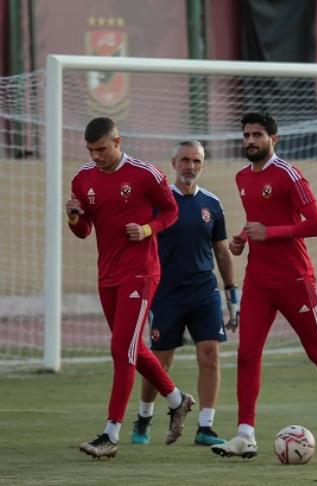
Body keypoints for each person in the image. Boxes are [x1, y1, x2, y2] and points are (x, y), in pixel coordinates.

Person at [210, 112, 317, 460]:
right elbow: (259, 221)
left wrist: (270, 233)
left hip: (294, 279)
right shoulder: (242, 177)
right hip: (258, 281)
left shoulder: (289, 174)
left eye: (257, 135)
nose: (250, 141)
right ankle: (245, 434)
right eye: (246, 135)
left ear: (273, 139)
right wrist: (243, 239)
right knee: (247, 353)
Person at [67, 117, 195, 459]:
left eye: (101, 149)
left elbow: (171, 212)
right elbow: (84, 231)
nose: (96, 156)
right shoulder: (82, 178)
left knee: (121, 347)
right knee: (131, 348)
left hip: (141, 272)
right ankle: (178, 400)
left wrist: (148, 229)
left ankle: (110, 434)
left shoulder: (145, 174)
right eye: (91, 150)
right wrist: (74, 217)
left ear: (118, 142)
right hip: (107, 275)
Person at [131, 140, 239, 447]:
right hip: (165, 294)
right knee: (160, 362)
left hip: (204, 292)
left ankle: (206, 427)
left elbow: (222, 252)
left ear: (202, 165)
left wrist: (232, 294)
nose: (190, 166)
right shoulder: (159, 203)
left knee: (210, 355)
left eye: (196, 161)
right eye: (185, 160)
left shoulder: (212, 204)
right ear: (174, 163)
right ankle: (144, 416)